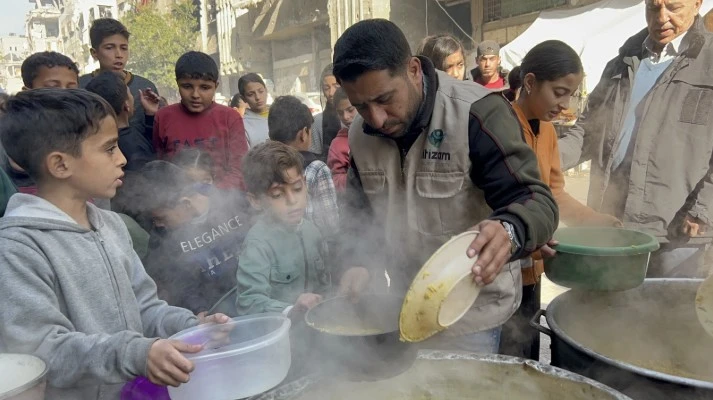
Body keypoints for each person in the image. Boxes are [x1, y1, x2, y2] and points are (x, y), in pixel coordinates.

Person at [333, 19, 558, 353]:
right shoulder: (359, 135)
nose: (376, 119)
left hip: (474, 318)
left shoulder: (476, 113)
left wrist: (511, 229)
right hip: (407, 308)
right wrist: (356, 264)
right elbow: (359, 214)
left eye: (384, 99)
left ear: (411, 69)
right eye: (361, 106)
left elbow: (536, 200)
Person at [0, 89, 229, 399]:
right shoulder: (19, 247)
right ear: (60, 165)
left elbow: (145, 307)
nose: (122, 159)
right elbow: (43, 351)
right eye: (109, 149)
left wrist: (192, 327)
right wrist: (134, 354)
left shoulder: (111, 226)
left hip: (133, 391)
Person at [558, 0, 713, 278]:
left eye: (673, 8)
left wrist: (704, 207)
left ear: (697, 3)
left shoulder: (709, 62)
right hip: (613, 226)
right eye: (653, 8)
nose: (661, 18)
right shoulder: (622, 62)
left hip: (676, 233)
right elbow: (587, 131)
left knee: (665, 315)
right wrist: (542, 158)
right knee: (607, 313)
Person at [500, 40, 622, 360]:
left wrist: (595, 221)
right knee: (501, 359)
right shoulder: (499, 128)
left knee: (526, 354)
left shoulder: (549, 132)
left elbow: (553, 192)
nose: (565, 103)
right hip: (499, 271)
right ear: (529, 83)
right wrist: (523, 241)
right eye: (558, 92)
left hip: (534, 269)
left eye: (570, 94)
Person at [140, 160, 251, 316]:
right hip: (217, 313)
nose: (158, 225)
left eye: (162, 217)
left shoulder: (233, 203)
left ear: (186, 203)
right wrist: (200, 311)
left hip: (257, 294)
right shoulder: (161, 238)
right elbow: (178, 284)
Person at [236, 141, 331, 317]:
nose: (292, 200)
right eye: (277, 195)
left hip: (318, 331)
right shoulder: (258, 244)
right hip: (282, 336)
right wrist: (290, 310)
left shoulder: (312, 231)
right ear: (255, 200)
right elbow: (248, 302)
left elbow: (324, 284)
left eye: (297, 188)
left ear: (304, 183)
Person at [153, 51, 248, 190]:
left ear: (216, 86)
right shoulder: (163, 117)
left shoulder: (230, 118)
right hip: (177, 200)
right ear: (177, 84)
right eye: (187, 86)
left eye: (205, 87)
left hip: (222, 202)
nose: (195, 95)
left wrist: (208, 195)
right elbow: (161, 167)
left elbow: (238, 170)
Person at [2, 51, 81, 195]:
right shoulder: (12, 139)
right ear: (28, 92)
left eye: (71, 88)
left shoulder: (85, 134)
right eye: (52, 87)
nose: (64, 95)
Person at [268, 96, 339, 238]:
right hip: (314, 252)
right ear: (303, 134)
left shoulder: (264, 166)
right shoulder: (317, 169)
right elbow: (330, 223)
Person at [79, 18, 159, 140]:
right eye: (109, 48)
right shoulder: (81, 87)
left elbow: (155, 137)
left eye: (123, 48)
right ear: (94, 53)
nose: (119, 55)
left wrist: (151, 115)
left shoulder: (144, 88)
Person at [85, 71, 157, 171]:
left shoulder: (97, 140)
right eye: (130, 94)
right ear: (126, 105)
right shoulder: (132, 146)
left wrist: (150, 114)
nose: (133, 97)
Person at [309, 64, 343, 160]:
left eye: (336, 86)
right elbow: (315, 158)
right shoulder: (317, 122)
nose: (331, 93)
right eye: (326, 88)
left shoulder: (356, 117)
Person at [327, 87, 357, 191]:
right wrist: (357, 176)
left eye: (350, 110)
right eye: (340, 113)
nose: (345, 117)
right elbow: (336, 179)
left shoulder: (378, 133)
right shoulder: (337, 145)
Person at [239, 73, 270, 147]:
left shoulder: (280, 114)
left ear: (266, 91)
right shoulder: (244, 125)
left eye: (261, 91)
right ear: (243, 98)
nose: (258, 97)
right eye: (251, 94)